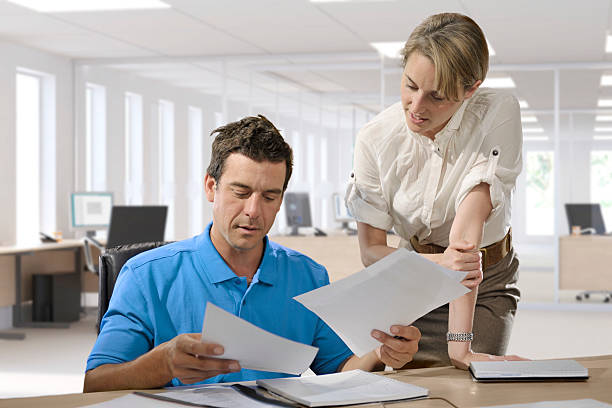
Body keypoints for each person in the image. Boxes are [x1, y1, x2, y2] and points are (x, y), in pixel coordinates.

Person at [84, 115, 421, 392]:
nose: (254, 211)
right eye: (241, 192)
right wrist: (162, 364)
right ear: (211, 187)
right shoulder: (145, 276)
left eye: (270, 197)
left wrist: (381, 352)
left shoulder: (308, 276)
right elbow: (95, 384)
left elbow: (338, 367)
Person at [346, 12, 523, 370]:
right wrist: (441, 263)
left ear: (470, 89)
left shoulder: (497, 112)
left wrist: (460, 348)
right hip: (416, 276)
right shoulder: (375, 139)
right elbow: (371, 251)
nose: (416, 106)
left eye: (437, 96)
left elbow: (466, 240)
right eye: (410, 85)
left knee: (468, 386)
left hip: (484, 281)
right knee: (402, 383)